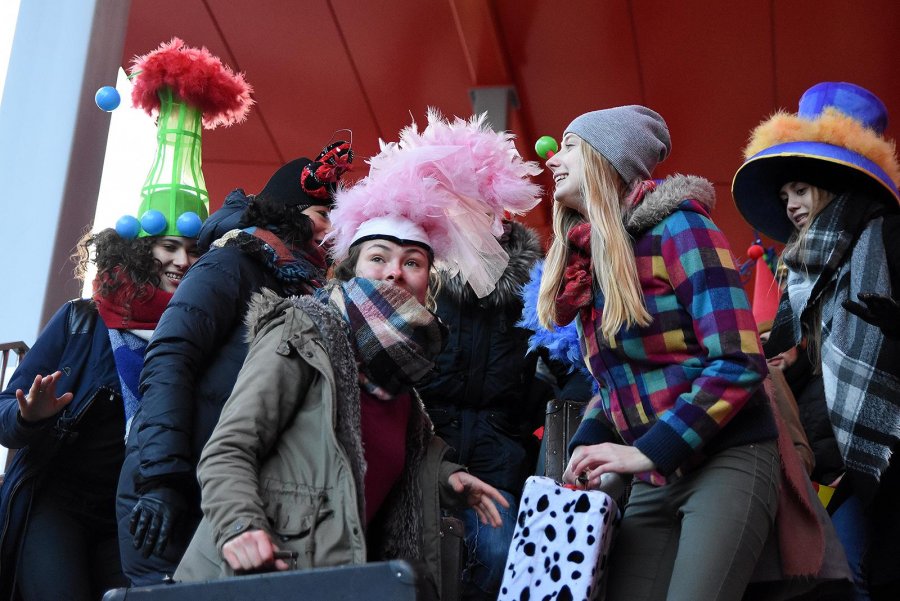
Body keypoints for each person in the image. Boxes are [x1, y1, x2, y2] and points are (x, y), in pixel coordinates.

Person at [173, 110, 543, 597]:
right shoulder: (306, 328)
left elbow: (407, 454)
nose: (394, 272)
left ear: (427, 281)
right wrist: (240, 527)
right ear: (349, 267)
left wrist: (451, 479)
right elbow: (229, 449)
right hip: (250, 578)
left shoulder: (402, 367)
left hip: (332, 578)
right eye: (378, 257)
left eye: (412, 262)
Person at [536, 105, 783, 601]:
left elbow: (739, 360)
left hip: (726, 458)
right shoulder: (594, 260)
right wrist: (588, 445)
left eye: (568, 146)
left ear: (607, 157)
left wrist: (643, 451)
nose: (552, 160)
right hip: (651, 472)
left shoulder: (680, 228)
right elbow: (618, 386)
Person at [116, 140, 352, 585]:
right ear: (291, 213)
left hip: (225, 497)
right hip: (168, 491)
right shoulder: (233, 261)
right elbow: (169, 359)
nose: (334, 234)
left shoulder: (303, 289)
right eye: (324, 218)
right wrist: (163, 480)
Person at [733, 81, 900, 600]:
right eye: (784, 196)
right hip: (833, 460)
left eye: (800, 190)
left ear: (831, 188)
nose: (790, 206)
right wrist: (792, 363)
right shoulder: (797, 276)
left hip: (884, 452)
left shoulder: (891, 237)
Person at [0, 226, 201, 601]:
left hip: (133, 512)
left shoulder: (196, 334)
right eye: (170, 247)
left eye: (192, 250)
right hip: (57, 506)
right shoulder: (80, 320)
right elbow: (4, 411)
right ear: (139, 252)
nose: (183, 261)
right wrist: (29, 416)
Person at [416, 217, 543, 600]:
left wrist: (522, 420)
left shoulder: (533, 286)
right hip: (424, 456)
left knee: (498, 555)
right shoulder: (421, 273)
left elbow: (568, 361)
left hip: (497, 461)